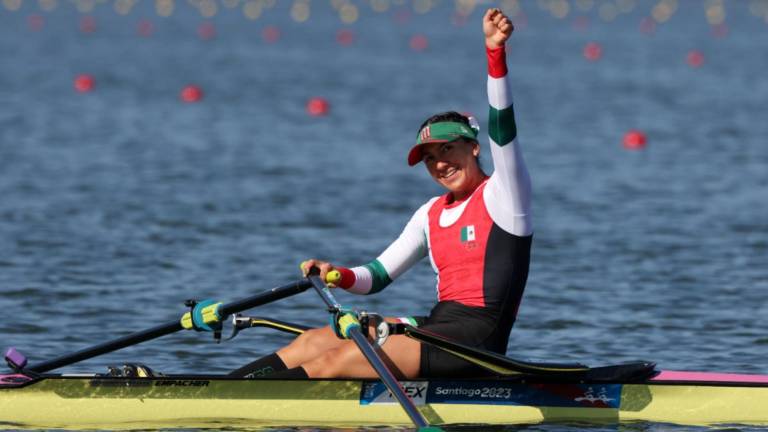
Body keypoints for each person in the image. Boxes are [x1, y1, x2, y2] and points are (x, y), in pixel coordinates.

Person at [230, 8, 530, 380]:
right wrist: (334, 274)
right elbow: (376, 276)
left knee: (337, 360)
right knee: (315, 341)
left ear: (473, 147)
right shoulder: (430, 214)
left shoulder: (505, 196)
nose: (440, 165)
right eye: (430, 159)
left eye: (447, 150)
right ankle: (221, 387)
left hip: (478, 342)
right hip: (440, 328)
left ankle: (252, 401)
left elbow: (503, 126)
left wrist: (494, 52)